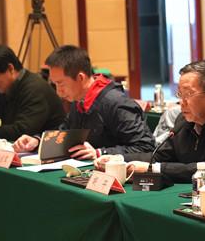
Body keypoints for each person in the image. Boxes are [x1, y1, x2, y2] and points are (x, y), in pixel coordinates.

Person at [94, 60, 205, 182]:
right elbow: (159, 156)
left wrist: (154, 169)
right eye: (180, 94)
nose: (182, 102)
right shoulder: (185, 119)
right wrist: (120, 159)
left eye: (188, 94)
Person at [13, 45, 155, 160]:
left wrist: (101, 153)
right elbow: (65, 133)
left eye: (61, 84)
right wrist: (38, 141)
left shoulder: (117, 103)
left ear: (80, 78)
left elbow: (146, 147)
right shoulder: (78, 99)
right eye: (54, 84)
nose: (58, 92)